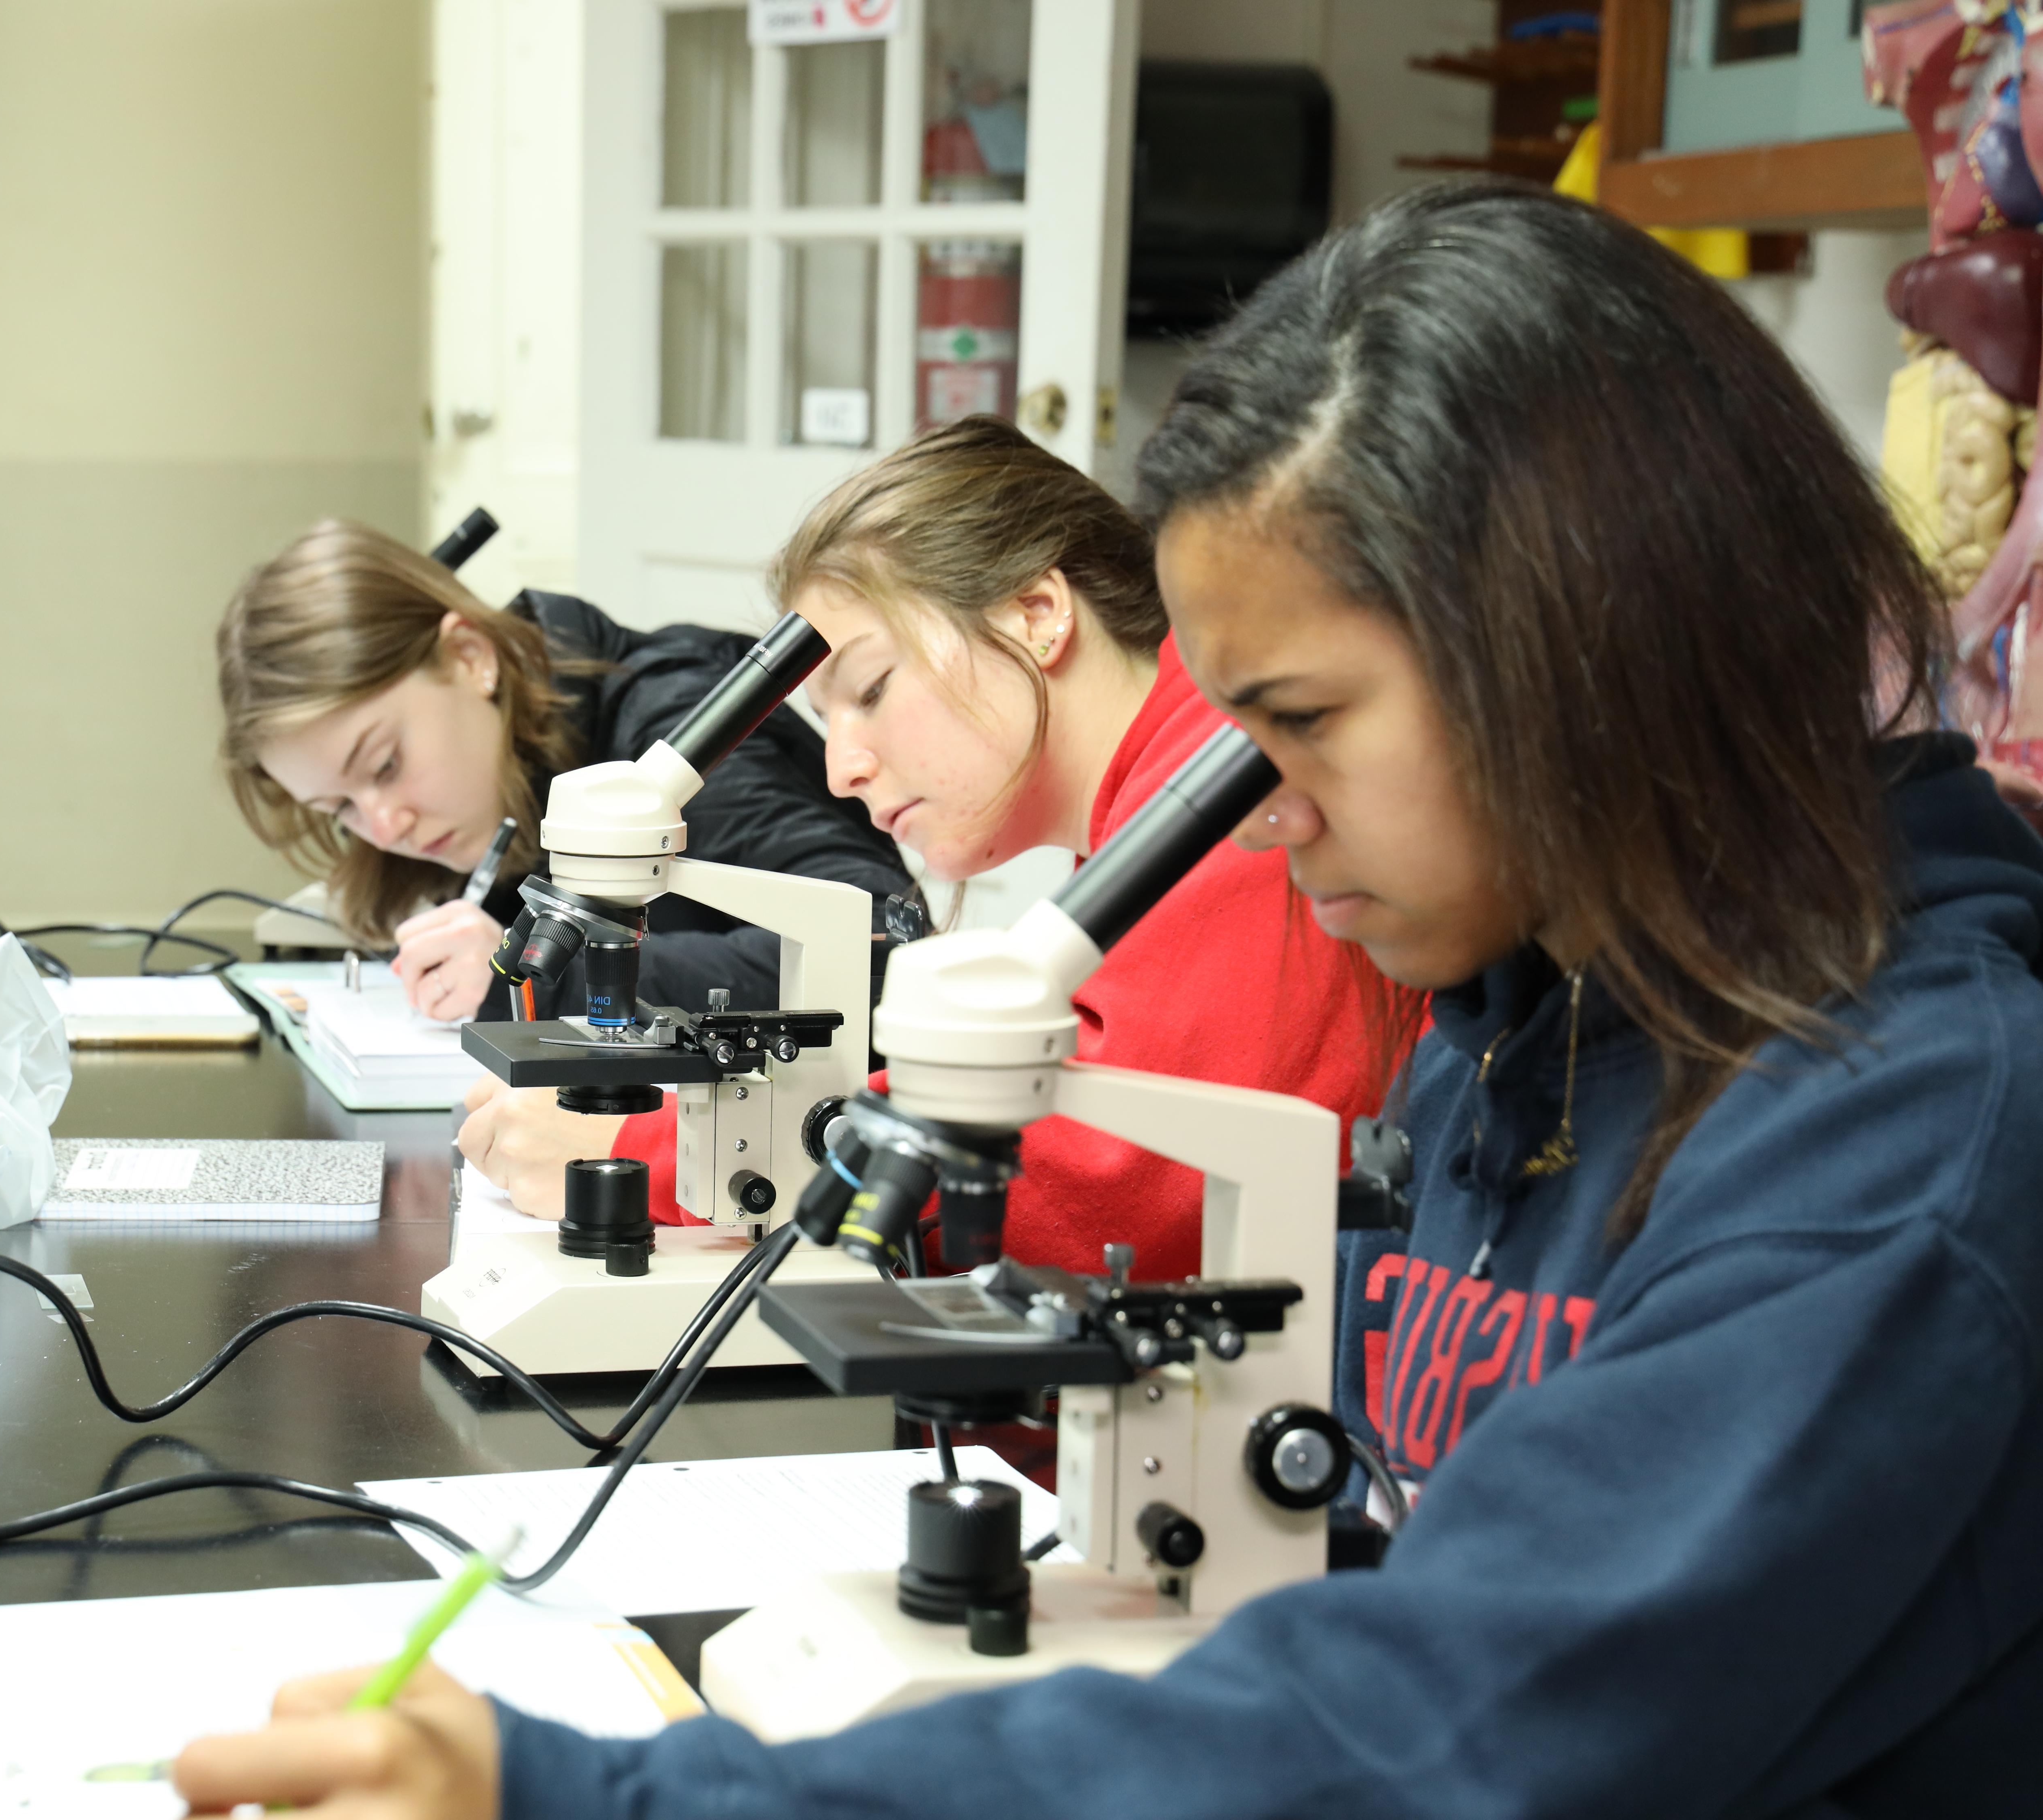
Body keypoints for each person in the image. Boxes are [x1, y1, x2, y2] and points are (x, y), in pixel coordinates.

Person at [171, 182, 2043, 1816]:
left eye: (1297, 728)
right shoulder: (1532, 1031)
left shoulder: (1905, 1140)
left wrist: (608, 1803)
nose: (1265, 814)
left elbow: (1447, 1727)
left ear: (1588, 633)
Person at [458, 418, 1397, 1273]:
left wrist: (645, 1153)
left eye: (871, 689)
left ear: (1037, 613)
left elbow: (1117, 1186)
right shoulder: (1149, 794)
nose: (843, 770)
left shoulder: (1224, 790)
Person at [216, 521, 916, 1022]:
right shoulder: (491, 790)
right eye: (338, 808)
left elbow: (888, 949)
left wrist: (549, 982)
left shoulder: (674, 735)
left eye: (385, 764)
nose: (383, 824)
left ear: (469, 658)